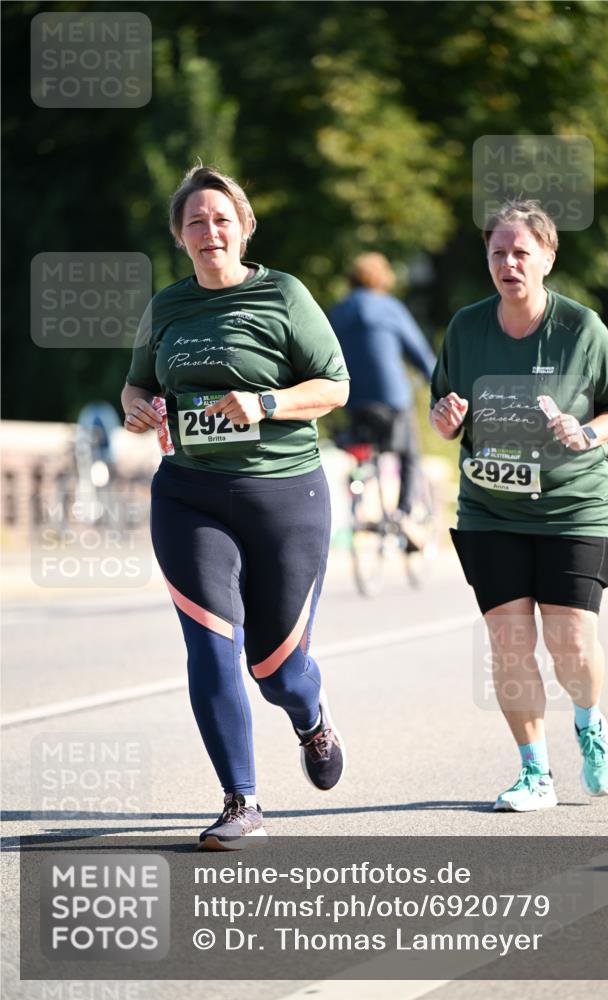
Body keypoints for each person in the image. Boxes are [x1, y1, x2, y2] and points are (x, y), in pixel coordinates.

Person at [122, 164, 350, 848]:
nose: (209, 230)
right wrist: (138, 411)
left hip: (284, 494)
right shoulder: (166, 306)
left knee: (273, 667)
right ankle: (240, 800)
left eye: (222, 219)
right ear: (180, 235)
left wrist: (267, 402)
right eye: (196, 221)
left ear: (243, 228)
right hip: (188, 494)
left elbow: (334, 385)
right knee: (209, 647)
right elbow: (133, 388)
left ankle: (310, 717)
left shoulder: (283, 294)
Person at [430, 198, 608, 812]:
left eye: (522, 252)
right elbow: (445, 413)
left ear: (547, 257)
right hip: (492, 508)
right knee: (510, 645)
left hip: (573, 507)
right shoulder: (466, 328)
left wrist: (588, 432)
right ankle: (535, 773)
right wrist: (445, 419)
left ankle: (590, 722)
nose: (509, 263)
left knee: (571, 644)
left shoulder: (581, 329)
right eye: (498, 252)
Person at [329, 253, 436, 539]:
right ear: (383, 279)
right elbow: (419, 352)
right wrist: (438, 382)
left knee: (361, 450)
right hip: (392, 398)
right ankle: (404, 513)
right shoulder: (390, 308)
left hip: (353, 399)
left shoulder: (337, 312)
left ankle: (359, 498)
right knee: (410, 454)